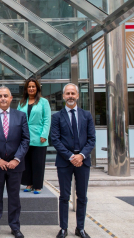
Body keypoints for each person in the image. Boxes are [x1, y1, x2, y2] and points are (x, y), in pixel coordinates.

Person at [0, 86, 30, 238]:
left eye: (5, 96)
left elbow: (25, 140)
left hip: (16, 165)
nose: (2, 98)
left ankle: (15, 226)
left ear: (10, 98)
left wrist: (16, 159)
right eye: (0, 96)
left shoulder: (20, 116)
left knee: (14, 197)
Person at [51, 83, 95, 238]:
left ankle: (80, 228)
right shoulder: (56, 117)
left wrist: (81, 156)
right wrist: (71, 156)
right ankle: (63, 228)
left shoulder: (87, 115)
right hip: (64, 161)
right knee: (64, 196)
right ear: (63, 96)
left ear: (77, 95)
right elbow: (55, 140)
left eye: (73, 93)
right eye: (67, 93)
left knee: (82, 196)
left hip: (83, 162)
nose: (70, 96)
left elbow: (91, 139)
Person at [17, 78, 51, 194]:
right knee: (26, 162)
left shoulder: (43, 102)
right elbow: (17, 119)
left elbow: (47, 119)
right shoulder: (22, 102)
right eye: (29, 86)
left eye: (33, 86)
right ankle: (29, 184)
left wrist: (44, 134)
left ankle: (37, 186)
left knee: (38, 163)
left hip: (39, 137)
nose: (31, 89)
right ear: (26, 89)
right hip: (24, 137)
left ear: (37, 88)